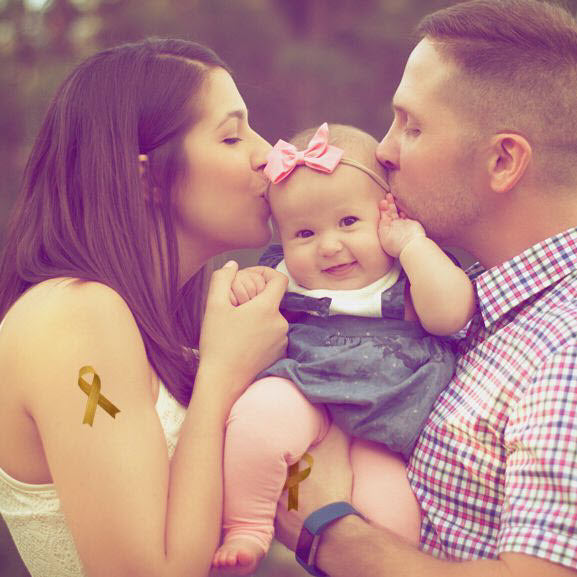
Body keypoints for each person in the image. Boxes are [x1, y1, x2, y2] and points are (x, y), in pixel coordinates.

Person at [273, 1, 577, 576]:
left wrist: (326, 531)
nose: (383, 151)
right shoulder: (474, 296)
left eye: (412, 127)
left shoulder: (566, 350)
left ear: (503, 160)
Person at [0, 38, 289, 577]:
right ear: (147, 178)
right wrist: (222, 374)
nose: (269, 155)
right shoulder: (74, 315)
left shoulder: (167, 325)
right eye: (232, 136)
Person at [212, 122, 475, 575]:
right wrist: (248, 286)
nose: (330, 246)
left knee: (394, 520)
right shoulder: (283, 275)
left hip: (386, 424)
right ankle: (247, 526)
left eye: (349, 222)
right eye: (304, 234)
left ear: (389, 212)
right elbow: (250, 318)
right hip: (305, 389)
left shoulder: (410, 269)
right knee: (256, 420)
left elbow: (451, 315)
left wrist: (411, 244)